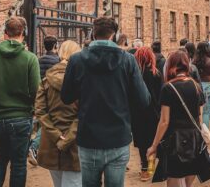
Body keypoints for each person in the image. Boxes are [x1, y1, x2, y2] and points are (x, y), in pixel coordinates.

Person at [61, 17, 150, 187]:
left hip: (88, 137)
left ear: (93, 34)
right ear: (113, 36)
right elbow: (144, 100)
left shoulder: (77, 60)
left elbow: (66, 97)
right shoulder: (128, 60)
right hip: (118, 136)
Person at [0, 16, 40, 187]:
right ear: (24, 33)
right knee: (19, 163)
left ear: (5, 33)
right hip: (21, 117)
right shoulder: (30, 58)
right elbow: (36, 90)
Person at [147, 50, 205, 187]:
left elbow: (164, 121)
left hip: (175, 140)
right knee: (188, 180)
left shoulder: (168, 88)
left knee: (174, 178)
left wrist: (154, 145)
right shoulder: (196, 86)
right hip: (193, 138)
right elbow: (200, 116)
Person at [35, 40, 82, 187]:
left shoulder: (46, 80)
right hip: (76, 142)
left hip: (51, 142)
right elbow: (84, 112)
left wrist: (55, 135)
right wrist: (68, 137)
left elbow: (40, 111)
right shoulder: (82, 80)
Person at [131, 47, 163, 182]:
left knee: (142, 142)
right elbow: (162, 95)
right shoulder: (156, 73)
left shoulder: (134, 75)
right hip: (154, 113)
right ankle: (151, 168)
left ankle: (145, 169)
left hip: (137, 113)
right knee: (152, 141)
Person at [29, 35, 62, 165]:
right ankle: (33, 146)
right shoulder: (58, 61)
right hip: (52, 96)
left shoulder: (38, 60)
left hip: (41, 94)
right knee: (47, 122)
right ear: (55, 46)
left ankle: (28, 143)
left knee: (37, 119)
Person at [193, 42, 210, 128]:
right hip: (209, 87)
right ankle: (205, 134)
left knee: (196, 112)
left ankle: (197, 131)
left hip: (197, 87)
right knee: (206, 113)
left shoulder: (194, 62)